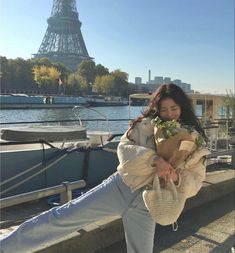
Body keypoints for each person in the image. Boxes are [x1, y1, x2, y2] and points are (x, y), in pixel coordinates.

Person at [0, 83, 209, 253]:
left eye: (174, 108)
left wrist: (176, 178)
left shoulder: (196, 142)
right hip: (120, 188)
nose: (169, 114)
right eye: (163, 109)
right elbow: (124, 152)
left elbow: (195, 182)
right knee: (60, 219)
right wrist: (155, 160)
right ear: (157, 108)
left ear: (182, 108)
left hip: (149, 203)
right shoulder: (144, 125)